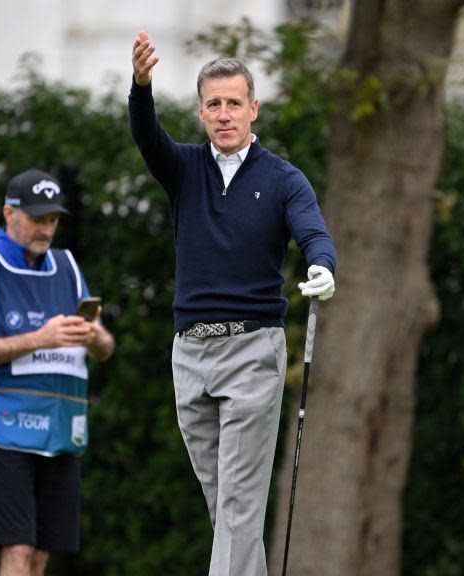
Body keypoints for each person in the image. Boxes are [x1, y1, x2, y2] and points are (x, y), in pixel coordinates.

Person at [128, 31, 337, 576]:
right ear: (200, 112)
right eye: (214, 104)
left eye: (234, 103)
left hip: (252, 350)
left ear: (253, 109)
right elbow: (147, 136)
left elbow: (314, 233)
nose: (225, 114)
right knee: (226, 502)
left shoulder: (283, 179)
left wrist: (323, 266)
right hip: (190, 356)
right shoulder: (185, 170)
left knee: (240, 502)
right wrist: (142, 87)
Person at [0, 169, 115, 576]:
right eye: (38, 218)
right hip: (2, 424)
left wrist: (91, 335)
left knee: (41, 555)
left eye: (52, 219)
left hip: (59, 426)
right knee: (18, 549)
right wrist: (39, 338)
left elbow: (106, 348)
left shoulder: (66, 265)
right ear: (9, 213)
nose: (46, 228)